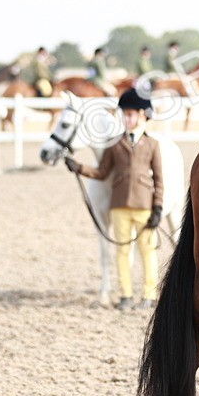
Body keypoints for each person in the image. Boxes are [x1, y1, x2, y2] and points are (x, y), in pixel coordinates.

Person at [64, 89, 164, 310]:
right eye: (124, 115)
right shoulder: (113, 144)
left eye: (131, 115)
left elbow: (158, 179)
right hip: (119, 206)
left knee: (147, 251)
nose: (127, 119)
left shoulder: (152, 145)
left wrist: (157, 207)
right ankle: (125, 295)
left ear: (142, 116)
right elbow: (102, 172)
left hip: (143, 206)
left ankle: (150, 294)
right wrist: (79, 167)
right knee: (122, 251)